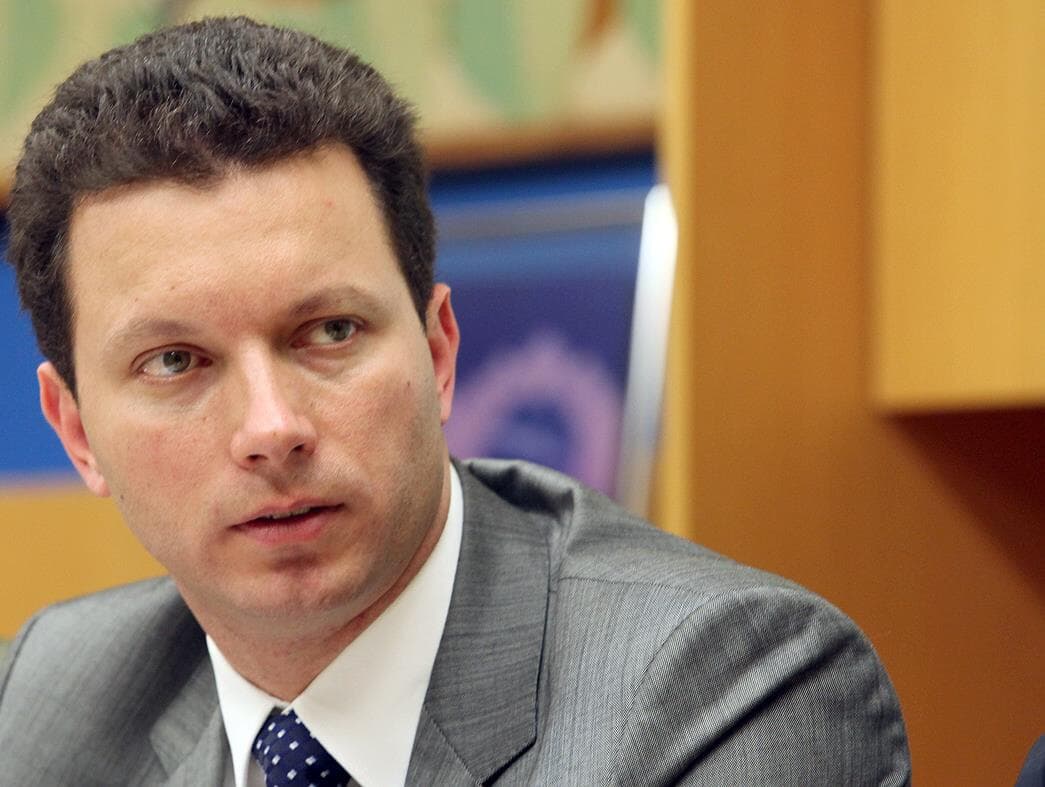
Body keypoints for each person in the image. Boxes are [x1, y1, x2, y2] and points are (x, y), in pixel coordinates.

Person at [0, 16, 910, 786]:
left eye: (329, 331)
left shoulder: (725, 687)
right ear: (76, 431)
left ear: (438, 352)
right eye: (175, 361)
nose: (271, 428)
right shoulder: (44, 702)